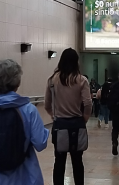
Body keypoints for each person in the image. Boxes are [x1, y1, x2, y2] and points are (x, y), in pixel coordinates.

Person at [45, 48, 92, 185]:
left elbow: (47, 104)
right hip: (77, 123)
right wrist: (85, 118)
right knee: (78, 161)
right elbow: (88, 103)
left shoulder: (52, 80)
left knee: (59, 161)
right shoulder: (81, 80)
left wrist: (54, 115)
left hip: (60, 124)